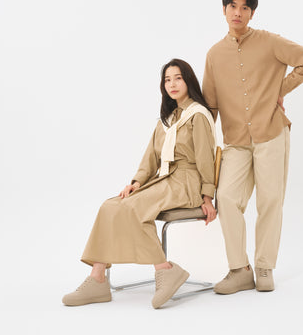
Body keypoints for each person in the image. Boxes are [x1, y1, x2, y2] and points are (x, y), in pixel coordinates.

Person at [62, 58, 217, 309]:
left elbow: (205, 159)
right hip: (163, 180)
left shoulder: (197, 115)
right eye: (167, 80)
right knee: (111, 206)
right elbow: (150, 157)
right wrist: (136, 182)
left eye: (178, 78)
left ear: (188, 81)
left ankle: (164, 269)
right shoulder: (166, 120)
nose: (172, 84)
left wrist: (207, 197)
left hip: (186, 183)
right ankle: (98, 278)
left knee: (134, 209)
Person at [202, 0, 303, 294]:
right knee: (227, 199)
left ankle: (265, 265)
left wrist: (279, 90)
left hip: (271, 132)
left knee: (270, 200)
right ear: (224, 10)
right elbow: (210, 105)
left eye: (245, 8)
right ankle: (239, 270)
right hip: (236, 140)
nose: (238, 13)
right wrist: (198, 140)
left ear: (252, 13)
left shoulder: (269, 42)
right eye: (233, 6)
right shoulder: (214, 55)